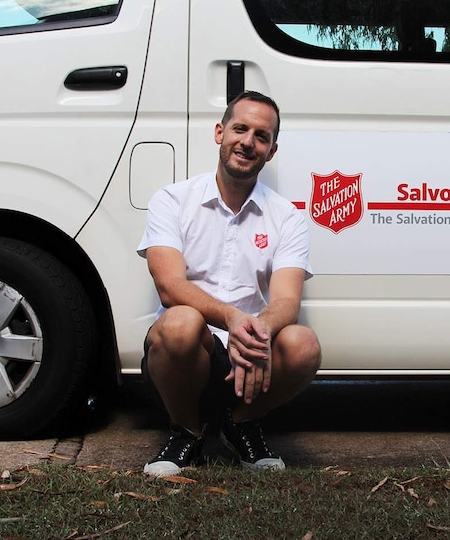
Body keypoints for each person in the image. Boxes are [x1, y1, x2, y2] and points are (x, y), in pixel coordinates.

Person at [136, 91, 322, 477]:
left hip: (252, 361)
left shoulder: (286, 216)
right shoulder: (172, 200)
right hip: (185, 355)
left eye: (261, 136)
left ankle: (241, 425)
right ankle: (186, 432)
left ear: (271, 151)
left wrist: (256, 332)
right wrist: (233, 319)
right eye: (241, 128)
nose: (248, 141)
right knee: (181, 321)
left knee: (304, 344)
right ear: (220, 132)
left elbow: (287, 301)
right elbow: (169, 286)